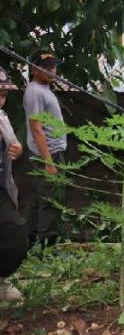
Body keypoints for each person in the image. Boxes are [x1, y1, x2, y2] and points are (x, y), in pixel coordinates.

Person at [23, 52, 67, 247]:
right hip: (47, 156)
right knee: (50, 201)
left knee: (38, 199)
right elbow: (36, 128)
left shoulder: (44, 89)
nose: (52, 70)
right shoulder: (34, 92)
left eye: (53, 66)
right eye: (47, 67)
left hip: (50, 154)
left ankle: (30, 241)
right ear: (34, 69)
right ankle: (47, 248)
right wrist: (49, 162)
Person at [0, 67, 28, 302]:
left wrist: (16, 150)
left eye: (4, 94)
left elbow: (13, 146)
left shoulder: (2, 118)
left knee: (15, 237)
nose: (1, 99)